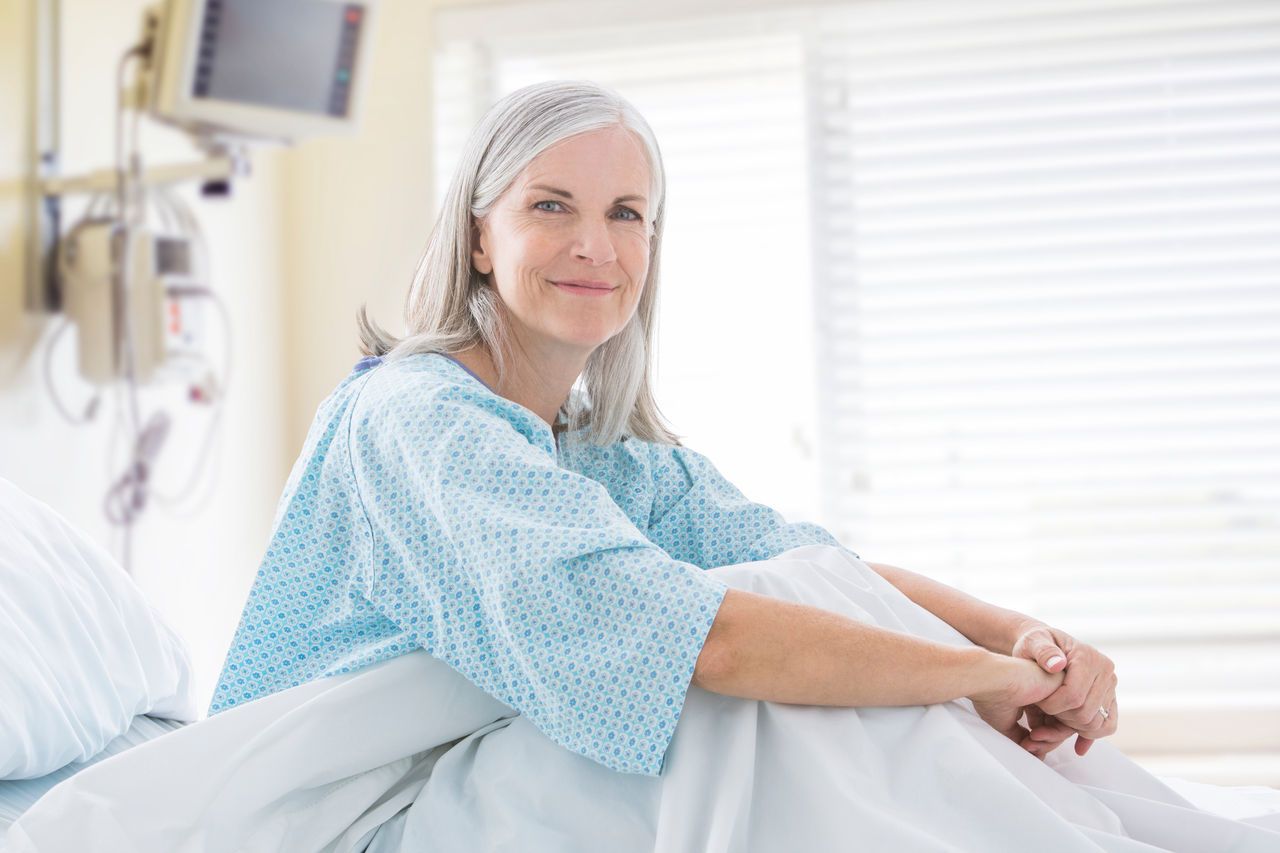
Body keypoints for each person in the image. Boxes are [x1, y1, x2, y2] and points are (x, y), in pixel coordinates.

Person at [208, 79, 1118, 778]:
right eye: (551, 205)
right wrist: (979, 679)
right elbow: (696, 640)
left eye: (626, 214)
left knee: (800, 610)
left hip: (448, 778)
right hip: (334, 807)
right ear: (481, 237)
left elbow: (818, 567)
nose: (595, 246)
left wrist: (1018, 638)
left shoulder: (598, 455)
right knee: (744, 711)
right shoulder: (418, 421)